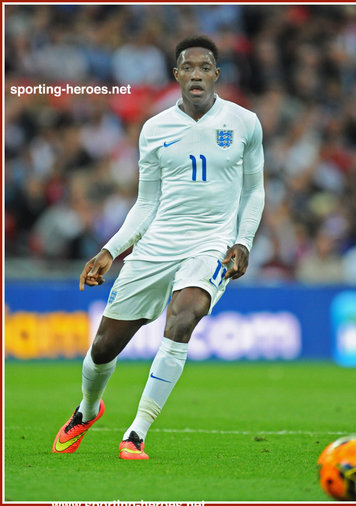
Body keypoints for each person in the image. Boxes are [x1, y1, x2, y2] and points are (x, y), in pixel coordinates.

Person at [52, 35, 265, 460]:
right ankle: (88, 409)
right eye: (189, 67)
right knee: (103, 348)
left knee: (183, 318)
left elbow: (254, 190)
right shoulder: (155, 129)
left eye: (205, 67)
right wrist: (110, 251)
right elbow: (146, 202)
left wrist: (242, 241)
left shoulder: (245, 123)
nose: (197, 74)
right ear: (177, 75)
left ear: (216, 74)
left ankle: (136, 432)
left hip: (212, 242)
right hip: (158, 243)